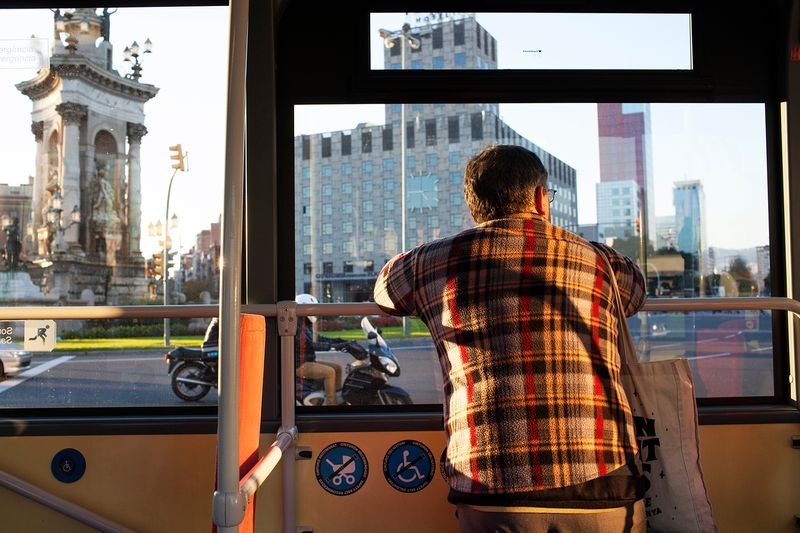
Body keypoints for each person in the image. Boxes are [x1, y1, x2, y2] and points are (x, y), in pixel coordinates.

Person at [374, 144, 647, 532]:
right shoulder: (601, 260)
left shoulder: (433, 261)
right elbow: (635, 292)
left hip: (490, 486)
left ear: (475, 206)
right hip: (605, 478)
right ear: (540, 198)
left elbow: (384, 289)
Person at [295, 293, 343, 406]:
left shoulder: (306, 323)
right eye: (312, 309)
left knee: (337, 368)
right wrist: (328, 346)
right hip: (299, 365)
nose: (314, 312)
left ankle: (335, 395)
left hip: (308, 361)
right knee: (329, 372)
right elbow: (308, 344)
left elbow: (318, 337)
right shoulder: (296, 324)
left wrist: (339, 341)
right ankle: (332, 404)